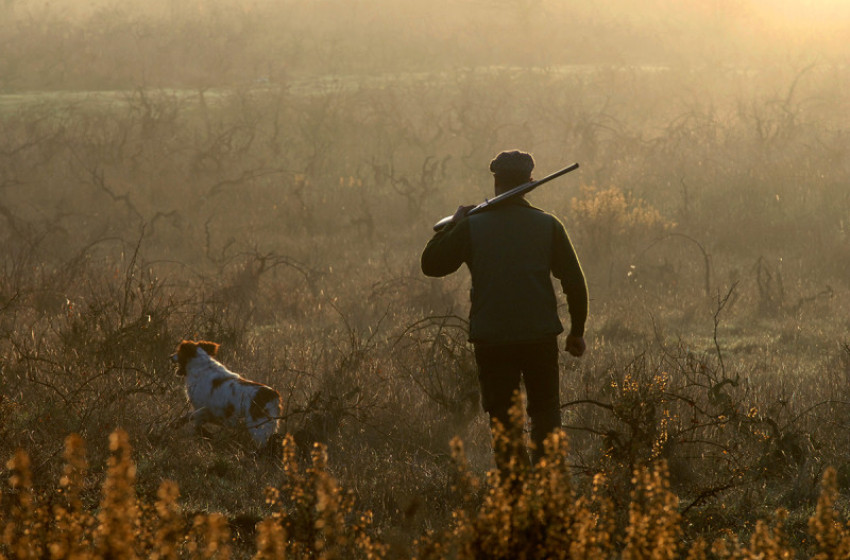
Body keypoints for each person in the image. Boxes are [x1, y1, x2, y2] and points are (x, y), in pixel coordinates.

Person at [420, 150, 588, 467]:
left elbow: (431, 264)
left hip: (492, 340)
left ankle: (515, 499)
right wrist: (576, 332)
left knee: (503, 422)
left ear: (496, 182)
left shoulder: (471, 227)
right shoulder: (548, 225)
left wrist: (453, 225)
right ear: (530, 182)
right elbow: (575, 282)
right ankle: (549, 491)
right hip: (539, 337)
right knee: (546, 414)